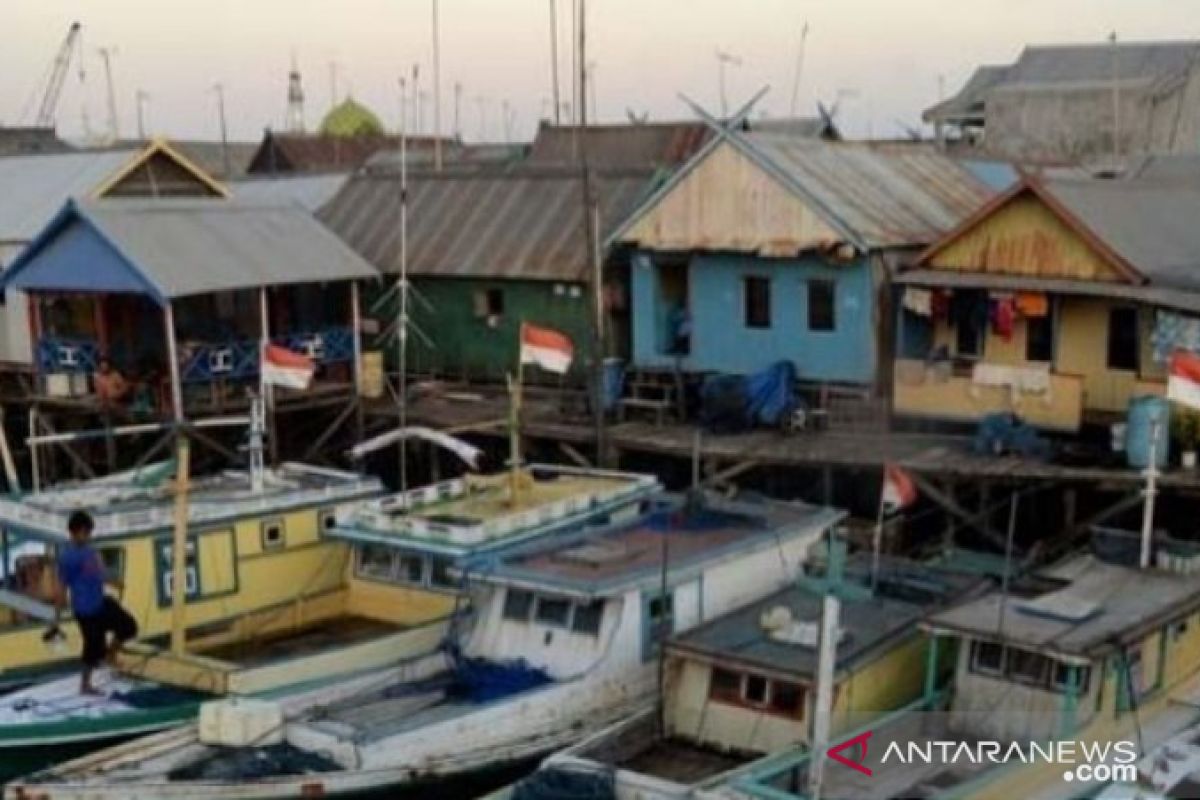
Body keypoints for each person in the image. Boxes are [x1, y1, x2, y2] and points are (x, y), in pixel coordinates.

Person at [55, 510, 137, 696]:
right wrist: (56, 618)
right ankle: (85, 685)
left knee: (129, 626)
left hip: (100, 602)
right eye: (86, 532)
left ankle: (111, 654)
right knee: (92, 648)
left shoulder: (91, 551)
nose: (89, 536)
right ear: (76, 532)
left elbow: (100, 572)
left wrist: (114, 582)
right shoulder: (67, 558)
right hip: (85, 610)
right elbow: (61, 588)